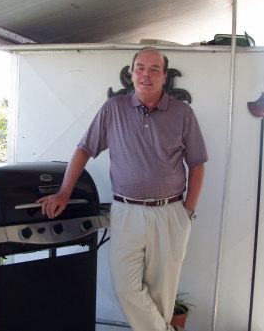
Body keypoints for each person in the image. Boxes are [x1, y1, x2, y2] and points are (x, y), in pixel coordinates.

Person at [36, 47, 207, 331]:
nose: (146, 74)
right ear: (131, 73)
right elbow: (84, 149)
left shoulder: (182, 113)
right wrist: (63, 192)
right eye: (140, 68)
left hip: (171, 214)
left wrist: (188, 212)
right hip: (126, 211)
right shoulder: (113, 108)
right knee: (125, 287)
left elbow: (198, 164)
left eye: (154, 69)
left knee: (161, 294)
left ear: (164, 76)